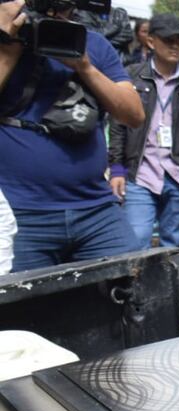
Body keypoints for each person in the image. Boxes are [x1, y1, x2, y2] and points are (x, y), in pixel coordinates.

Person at [0, 0, 144, 273]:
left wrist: (85, 67)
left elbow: (134, 114)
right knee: (25, 312)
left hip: (96, 210)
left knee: (134, 292)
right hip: (20, 214)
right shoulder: (5, 38)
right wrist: (8, 46)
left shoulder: (93, 43)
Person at [108, 14, 179, 249]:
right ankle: (136, 287)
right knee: (136, 242)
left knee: (172, 246)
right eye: (168, 40)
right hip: (140, 175)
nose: (175, 45)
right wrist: (116, 167)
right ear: (151, 41)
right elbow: (118, 124)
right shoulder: (132, 76)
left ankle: (166, 287)